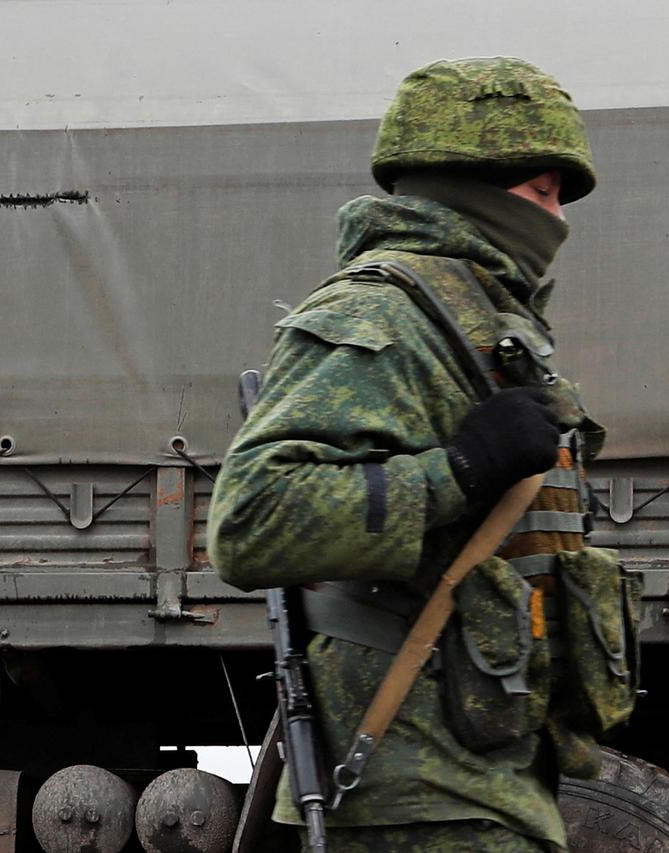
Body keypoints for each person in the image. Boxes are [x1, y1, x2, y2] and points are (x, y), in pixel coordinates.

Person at [208, 57, 638, 852]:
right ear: (469, 181)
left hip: (479, 780)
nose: (560, 220)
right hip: (414, 790)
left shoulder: (484, 324)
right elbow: (254, 519)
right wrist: (460, 471)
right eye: (542, 192)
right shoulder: (380, 314)